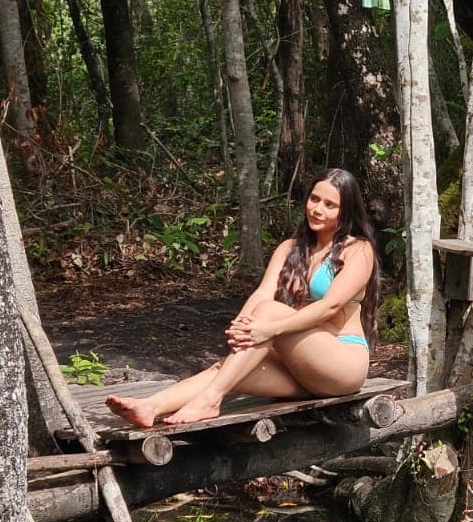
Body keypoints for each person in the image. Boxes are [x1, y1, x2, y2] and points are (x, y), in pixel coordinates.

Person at [105, 168, 380, 428]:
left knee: (269, 312)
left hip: (341, 364)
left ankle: (210, 401)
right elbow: (262, 292)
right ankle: (151, 406)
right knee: (228, 369)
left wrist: (268, 329)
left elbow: (330, 305)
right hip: (302, 371)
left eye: (330, 205)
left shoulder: (358, 250)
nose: (317, 209)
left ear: (346, 211)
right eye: (314, 199)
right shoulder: (290, 248)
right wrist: (240, 330)